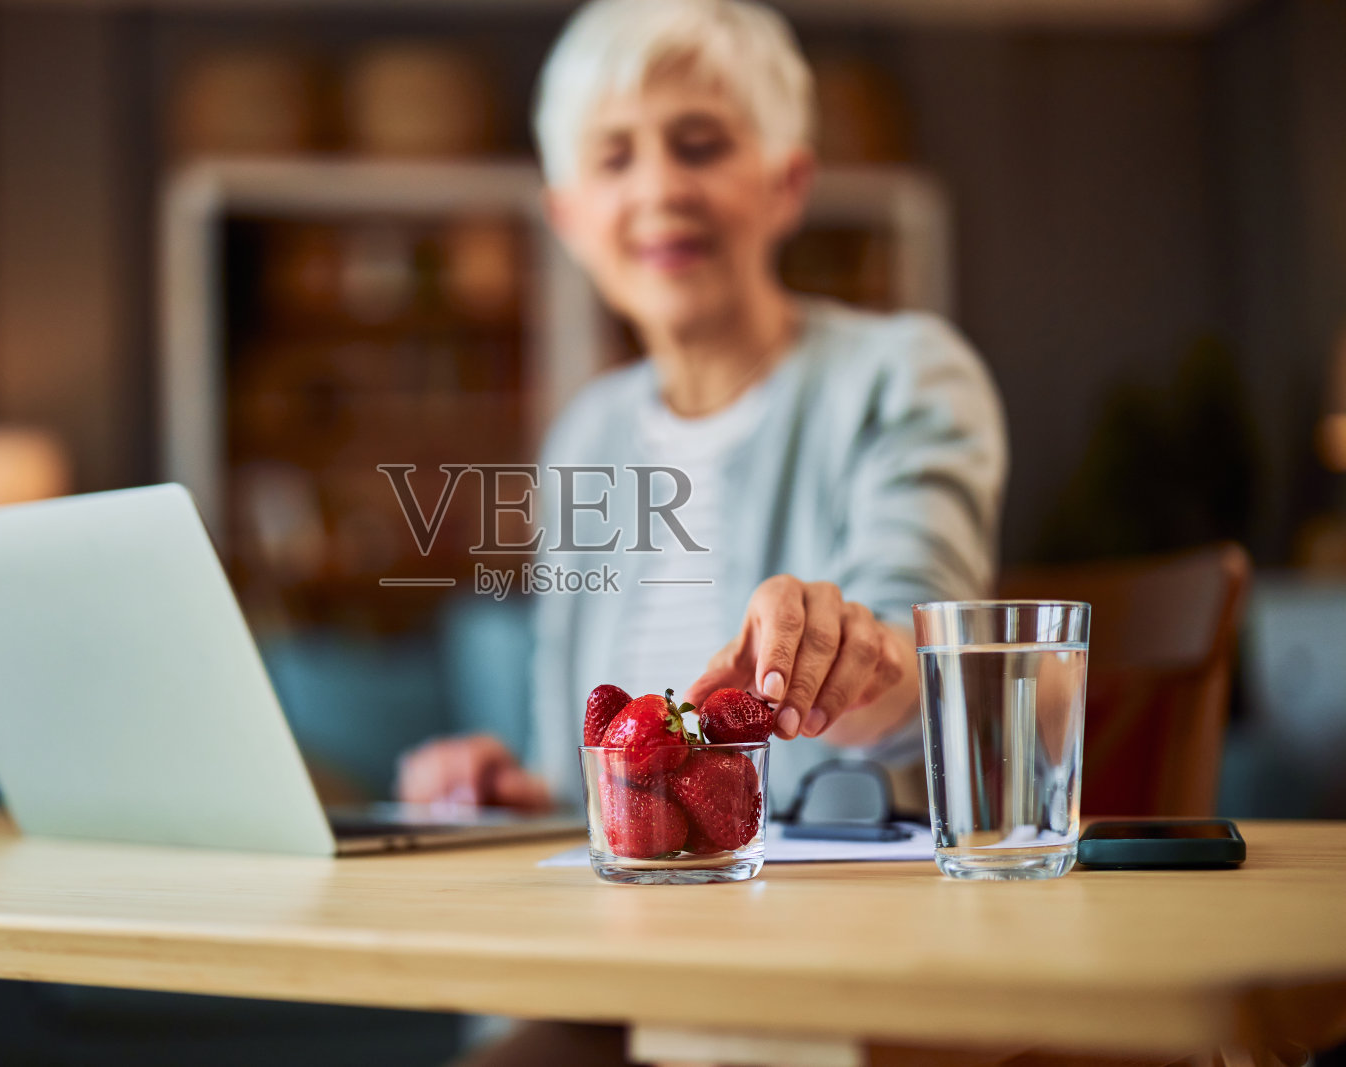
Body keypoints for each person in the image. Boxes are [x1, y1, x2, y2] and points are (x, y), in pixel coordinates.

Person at [396, 0, 1005, 821]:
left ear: (787, 183)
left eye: (701, 145)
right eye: (614, 158)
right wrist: (505, 786)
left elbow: (923, 662)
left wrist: (857, 656)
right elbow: (575, 778)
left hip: (835, 903)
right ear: (569, 220)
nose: (658, 188)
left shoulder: (904, 376)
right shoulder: (586, 434)